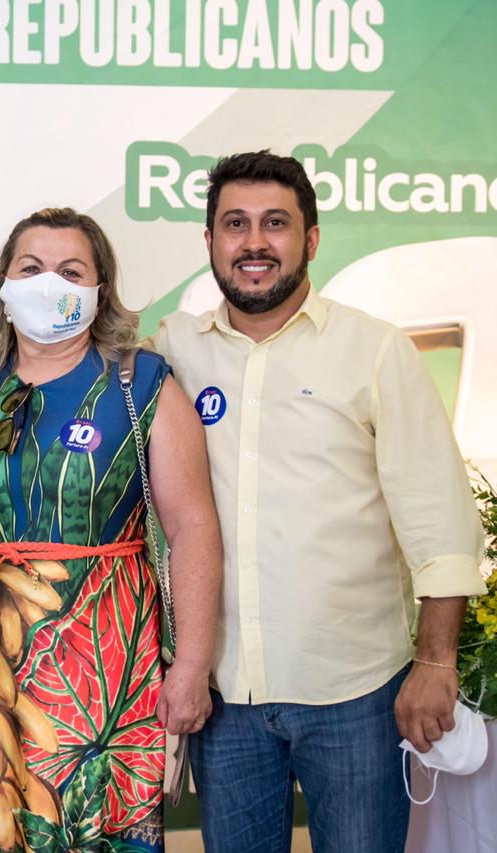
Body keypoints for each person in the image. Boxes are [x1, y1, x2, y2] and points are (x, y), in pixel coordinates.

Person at [149, 151, 487, 852]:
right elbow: (69, 361)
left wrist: (435, 663)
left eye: (275, 223)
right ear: (209, 240)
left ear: (311, 238)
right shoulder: (174, 350)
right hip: (226, 695)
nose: (254, 243)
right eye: (235, 224)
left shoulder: (375, 351)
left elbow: (439, 520)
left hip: (357, 693)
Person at [0, 208, 222, 851]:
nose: (49, 284)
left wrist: (192, 663)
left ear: (100, 290)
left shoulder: (141, 382)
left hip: (104, 657)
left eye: (70, 271)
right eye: (31, 268)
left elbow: (192, 526)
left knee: (92, 829)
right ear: (3, 283)